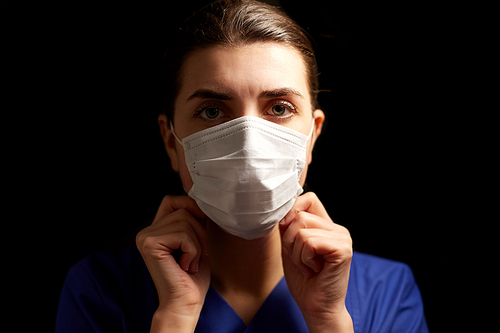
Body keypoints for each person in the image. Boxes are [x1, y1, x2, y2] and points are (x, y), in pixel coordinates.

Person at [56, 1, 428, 332]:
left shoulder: (386, 291)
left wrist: (329, 320)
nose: (249, 142)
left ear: (312, 137)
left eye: (279, 108)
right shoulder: (100, 289)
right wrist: (175, 317)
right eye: (213, 111)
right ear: (172, 142)